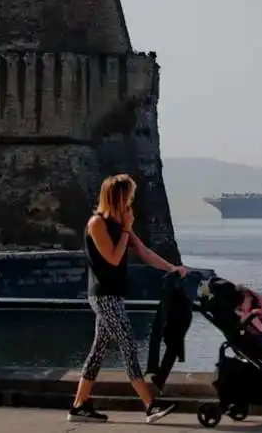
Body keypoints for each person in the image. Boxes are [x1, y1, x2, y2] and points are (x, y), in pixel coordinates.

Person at [69, 174, 189, 424]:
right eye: (128, 196)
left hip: (114, 296)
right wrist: (125, 229)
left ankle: (79, 406)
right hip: (103, 297)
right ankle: (150, 405)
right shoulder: (97, 224)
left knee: (97, 351)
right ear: (117, 197)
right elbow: (112, 258)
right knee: (129, 346)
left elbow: (143, 252)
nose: (131, 201)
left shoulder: (119, 224)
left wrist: (172, 267)